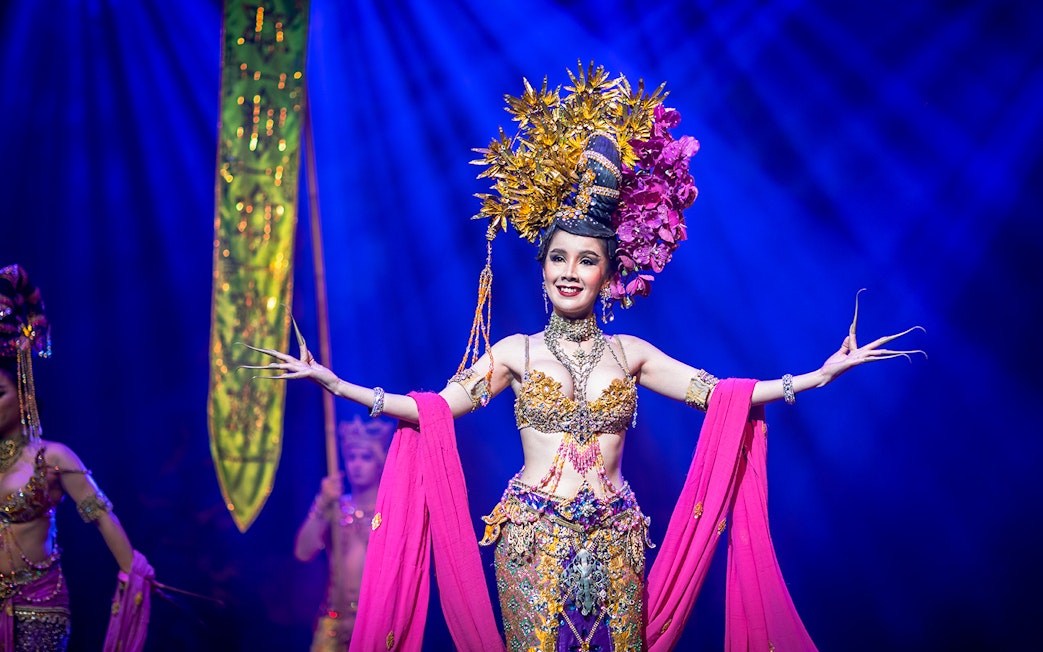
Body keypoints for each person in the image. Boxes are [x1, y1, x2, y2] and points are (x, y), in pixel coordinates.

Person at [245, 64, 923, 651]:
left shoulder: (630, 353)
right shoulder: (514, 351)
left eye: (587, 260)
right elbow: (432, 409)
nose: (570, 271)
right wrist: (335, 383)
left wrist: (816, 375)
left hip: (616, 533)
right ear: (542, 271)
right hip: (531, 537)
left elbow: (721, 396)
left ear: (606, 274)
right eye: (559, 259)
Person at [0, 264, 153, 652]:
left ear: (24, 395)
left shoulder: (53, 457)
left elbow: (102, 518)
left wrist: (132, 574)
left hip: (40, 608)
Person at [294, 415, 393, 651]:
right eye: (351, 457)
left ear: (379, 462)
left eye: (366, 457)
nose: (357, 464)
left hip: (374, 624)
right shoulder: (337, 507)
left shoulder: (389, 511)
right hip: (333, 621)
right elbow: (302, 552)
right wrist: (323, 502)